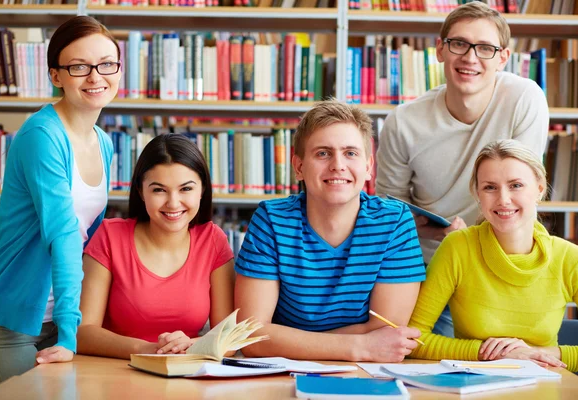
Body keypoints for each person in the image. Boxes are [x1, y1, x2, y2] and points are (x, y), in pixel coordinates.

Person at [375, 1, 549, 337]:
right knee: (428, 362)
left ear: (503, 57)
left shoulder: (525, 98)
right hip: (431, 268)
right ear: (440, 50)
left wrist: (468, 241)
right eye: (459, 44)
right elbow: (390, 213)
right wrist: (436, 233)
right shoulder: (403, 122)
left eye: (485, 48)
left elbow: (521, 192)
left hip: (502, 259)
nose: (470, 58)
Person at [0, 16, 119, 385]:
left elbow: (94, 240)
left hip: (62, 315)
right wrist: (73, 334)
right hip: (12, 318)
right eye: (78, 67)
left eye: (106, 64)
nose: (95, 77)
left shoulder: (103, 141)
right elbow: (64, 233)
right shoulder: (43, 135)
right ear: (56, 75)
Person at [234, 100, 426, 362]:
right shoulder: (271, 219)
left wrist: (284, 340)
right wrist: (362, 347)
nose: (338, 165)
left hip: (362, 376)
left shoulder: (395, 221)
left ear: (368, 167)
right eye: (323, 153)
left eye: (350, 153)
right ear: (299, 167)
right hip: (283, 374)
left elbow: (388, 331)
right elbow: (251, 336)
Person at [408, 139, 577, 372]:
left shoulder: (568, 257)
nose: (503, 199)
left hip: (546, 385)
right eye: (490, 187)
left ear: (539, 189)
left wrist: (539, 353)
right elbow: (412, 339)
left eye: (516, 185)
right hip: (472, 385)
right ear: (477, 193)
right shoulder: (457, 247)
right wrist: (489, 353)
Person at [77, 134, 235, 359]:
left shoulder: (213, 240)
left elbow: (227, 338)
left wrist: (188, 345)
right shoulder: (110, 236)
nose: (173, 202)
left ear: (202, 190)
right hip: (115, 372)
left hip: (186, 373)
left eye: (186, 189)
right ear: (141, 191)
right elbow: (82, 333)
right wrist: (147, 350)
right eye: (159, 190)